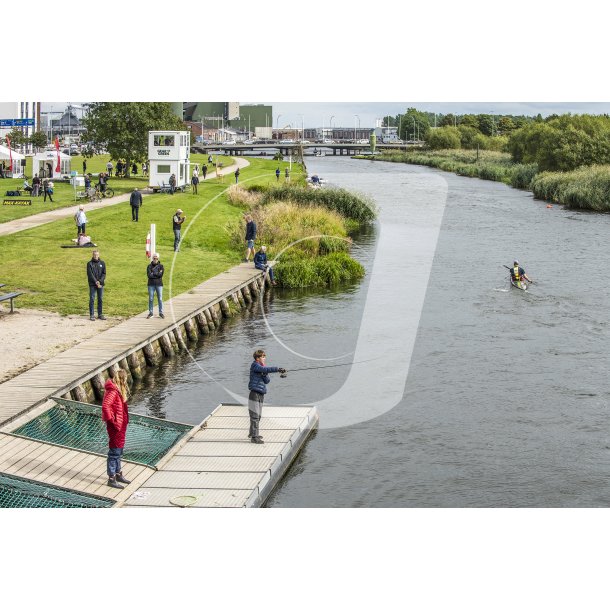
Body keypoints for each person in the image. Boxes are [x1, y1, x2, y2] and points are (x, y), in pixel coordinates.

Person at [247, 349, 286, 444]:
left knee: (258, 415)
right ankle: (254, 437)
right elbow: (264, 369)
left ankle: (253, 433)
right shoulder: (255, 365)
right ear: (257, 358)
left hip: (261, 393)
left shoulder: (261, 368)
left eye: (265, 356)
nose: (264, 358)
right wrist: (277, 369)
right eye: (263, 357)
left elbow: (267, 381)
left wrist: (265, 373)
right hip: (254, 393)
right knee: (255, 415)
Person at [101, 369, 131, 489]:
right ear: (122, 380)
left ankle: (118, 474)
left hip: (121, 425)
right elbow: (105, 406)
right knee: (114, 452)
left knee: (119, 450)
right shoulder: (113, 391)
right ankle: (111, 478)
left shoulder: (117, 390)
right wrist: (112, 420)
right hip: (116, 426)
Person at [87, 250, 106, 321]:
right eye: (94, 255)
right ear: (92, 255)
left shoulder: (102, 263)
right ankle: (92, 315)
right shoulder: (89, 263)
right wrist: (96, 282)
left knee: (100, 299)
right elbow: (90, 274)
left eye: (97, 255)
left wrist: (100, 281)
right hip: (92, 284)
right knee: (92, 298)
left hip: (101, 284)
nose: (96, 256)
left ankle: (100, 314)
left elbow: (104, 273)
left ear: (99, 255)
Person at [146, 253, 164, 319]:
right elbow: (149, 275)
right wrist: (157, 273)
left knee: (160, 299)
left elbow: (161, 275)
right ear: (152, 258)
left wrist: (153, 273)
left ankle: (161, 312)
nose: (155, 259)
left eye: (156, 258)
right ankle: (151, 313)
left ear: (158, 258)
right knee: (151, 299)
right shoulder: (149, 266)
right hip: (151, 284)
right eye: (154, 258)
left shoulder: (161, 266)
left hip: (159, 284)